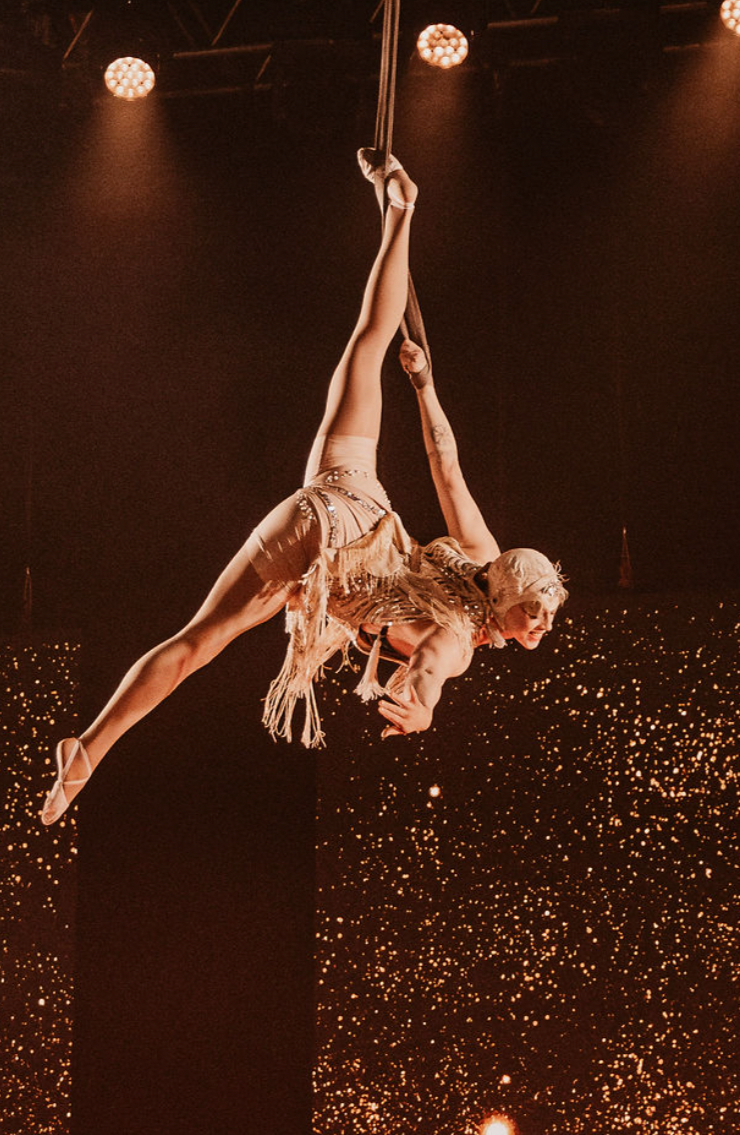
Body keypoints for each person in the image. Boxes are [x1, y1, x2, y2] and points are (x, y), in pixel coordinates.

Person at [41, 152, 565, 825]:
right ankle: (400, 207)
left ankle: (400, 207)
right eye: (535, 609)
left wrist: (427, 388)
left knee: (368, 342)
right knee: (203, 642)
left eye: (545, 612)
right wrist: (425, 705)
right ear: (502, 595)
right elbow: (433, 662)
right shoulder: (466, 635)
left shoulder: (485, 552)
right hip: (342, 542)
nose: (543, 621)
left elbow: (446, 463)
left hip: (346, 491)